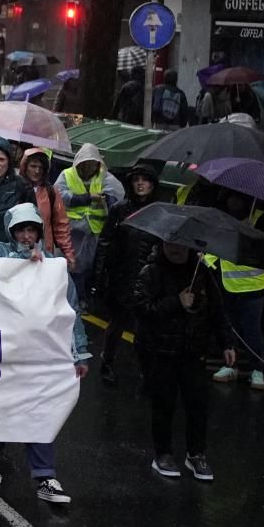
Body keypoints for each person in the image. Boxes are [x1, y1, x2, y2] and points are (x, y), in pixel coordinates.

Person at [0, 204, 88, 504]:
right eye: (21, 230)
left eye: (32, 229)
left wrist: (80, 354)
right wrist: (22, 263)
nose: (27, 236)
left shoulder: (54, 265)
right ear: (11, 231)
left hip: (40, 351)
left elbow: (70, 311)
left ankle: (45, 475)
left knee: (41, 409)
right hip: (1, 347)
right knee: (0, 403)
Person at [129, 242, 234, 481]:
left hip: (193, 351)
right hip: (160, 351)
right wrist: (176, 302)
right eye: (170, 244)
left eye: (181, 245)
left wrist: (226, 342)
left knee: (197, 405)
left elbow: (216, 310)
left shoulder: (202, 273)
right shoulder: (151, 271)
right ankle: (163, 454)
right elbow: (140, 307)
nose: (175, 249)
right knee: (164, 404)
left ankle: (196, 454)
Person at [93, 164, 162, 386]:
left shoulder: (159, 212)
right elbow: (105, 243)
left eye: (145, 179)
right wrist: (98, 277)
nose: (140, 183)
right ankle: (107, 362)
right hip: (122, 275)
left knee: (146, 328)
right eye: (136, 179)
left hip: (149, 278)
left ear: (152, 184)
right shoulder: (120, 210)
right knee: (117, 324)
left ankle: (147, 370)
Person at [204, 189, 264, 391]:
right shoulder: (223, 219)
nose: (233, 201)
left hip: (254, 285)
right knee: (229, 328)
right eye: (230, 197)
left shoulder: (261, 220)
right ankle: (230, 365)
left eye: (238, 197)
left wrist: (251, 235)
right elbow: (214, 245)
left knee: (252, 330)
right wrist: (210, 264)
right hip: (227, 283)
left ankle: (257, 369)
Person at [55, 143, 124, 310]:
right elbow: (59, 195)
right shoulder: (67, 175)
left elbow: (118, 198)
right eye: (84, 163)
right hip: (71, 232)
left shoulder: (105, 178)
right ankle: (75, 299)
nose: (87, 167)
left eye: (91, 163)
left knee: (90, 269)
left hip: (95, 232)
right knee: (71, 268)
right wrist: (87, 197)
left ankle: (84, 297)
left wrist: (107, 200)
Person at [18, 148, 77, 273]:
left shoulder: (51, 191)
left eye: (41, 167)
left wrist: (68, 253)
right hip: (18, 253)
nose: (37, 171)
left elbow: (61, 225)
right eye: (33, 166)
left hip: (45, 253)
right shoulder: (15, 188)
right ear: (25, 166)